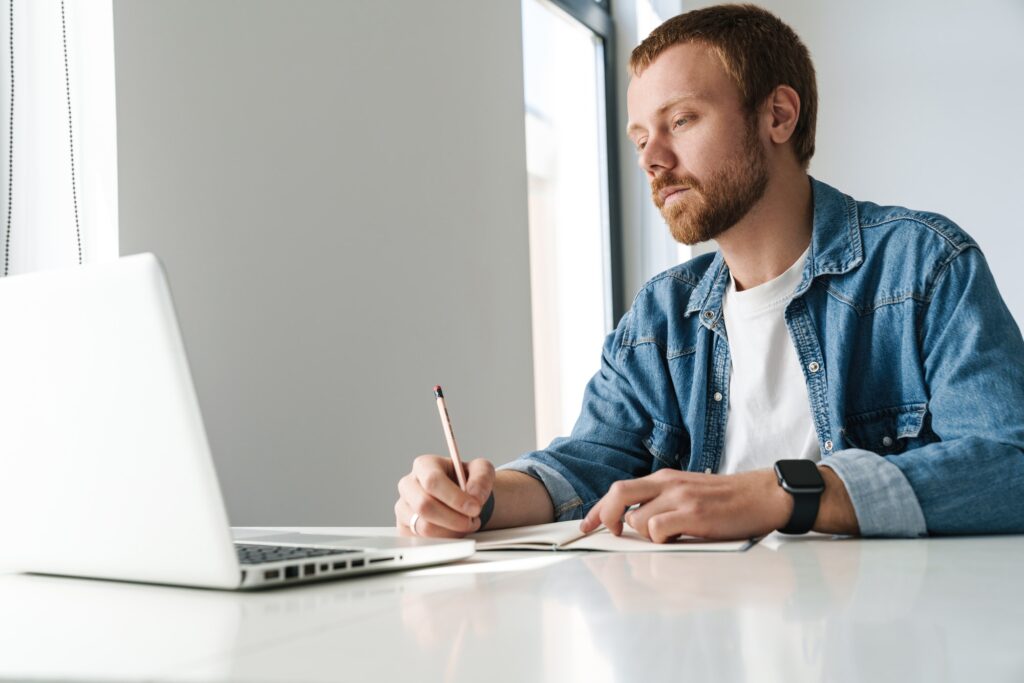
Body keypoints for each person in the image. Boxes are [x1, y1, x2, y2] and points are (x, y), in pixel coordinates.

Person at [394, 3, 1024, 541]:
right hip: (701, 632)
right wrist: (476, 499)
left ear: (778, 115)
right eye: (641, 137)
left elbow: (1008, 466)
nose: (653, 160)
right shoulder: (661, 313)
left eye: (682, 121)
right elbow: (592, 462)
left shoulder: (924, 263)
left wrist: (783, 494)